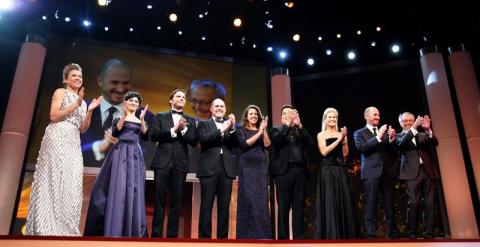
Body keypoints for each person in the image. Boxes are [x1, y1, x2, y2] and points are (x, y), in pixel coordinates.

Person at [26, 63, 102, 236]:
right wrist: (75, 105)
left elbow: (83, 128)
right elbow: (53, 116)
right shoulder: (61, 93)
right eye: (74, 75)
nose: (77, 78)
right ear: (66, 79)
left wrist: (89, 110)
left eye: (80, 76)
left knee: (72, 180)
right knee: (54, 177)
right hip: (58, 134)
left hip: (73, 139)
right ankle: (45, 227)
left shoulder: (83, 102)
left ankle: (65, 229)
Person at [84, 91, 149, 237]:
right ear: (125, 103)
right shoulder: (119, 117)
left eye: (136, 102)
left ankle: (132, 229)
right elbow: (115, 133)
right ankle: (115, 227)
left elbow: (145, 136)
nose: (134, 103)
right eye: (131, 101)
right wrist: (124, 116)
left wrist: (143, 119)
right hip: (120, 153)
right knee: (118, 187)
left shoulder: (141, 120)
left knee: (134, 189)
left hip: (135, 155)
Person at [80, 58, 155, 167]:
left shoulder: (147, 116)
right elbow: (71, 148)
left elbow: (148, 154)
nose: (120, 89)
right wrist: (99, 147)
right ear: (100, 81)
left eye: (125, 83)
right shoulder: (83, 108)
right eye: (114, 82)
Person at [150, 89, 198, 238]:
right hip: (162, 162)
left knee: (176, 202)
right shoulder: (160, 116)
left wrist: (183, 131)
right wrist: (173, 130)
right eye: (178, 96)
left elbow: (194, 141)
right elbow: (153, 136)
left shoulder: (190, 119)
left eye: (184, 97)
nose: (182, 98)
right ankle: (156, 237)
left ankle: (172, 238)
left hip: (180, 164)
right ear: (171, 100)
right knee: (159, 201)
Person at [353, 106, 398, 239]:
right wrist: (378, 137)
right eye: (374, 115)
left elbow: (393, 152)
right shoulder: (359, 133)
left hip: (387, 173)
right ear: (366, 117)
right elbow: (362, 149)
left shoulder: (385, 133)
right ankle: (371, 233)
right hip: (371, 173)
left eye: (378, 115)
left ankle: (393, 231)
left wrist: (391, 140)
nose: (377, 117)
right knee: (370, 204)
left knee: (390, 204)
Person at [196, 98, 239, 239]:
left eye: (222, 106)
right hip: (208, 169)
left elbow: (238, 144)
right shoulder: (203, 124)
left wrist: (232, 129)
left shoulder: (230, 126)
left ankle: (223, 239)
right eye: (217, 106)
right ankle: (204, 239)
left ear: (225, 110)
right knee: (206, 205)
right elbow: (203, 140)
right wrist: (221, 129)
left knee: (224, 207)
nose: (220, 108)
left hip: (226, 169)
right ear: (212, 109)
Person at [269, 105, 313, 240]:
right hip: (283, 172)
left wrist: (300, 126)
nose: (289, 115)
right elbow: (276, 140)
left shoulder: (300, 131)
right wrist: (287, 125)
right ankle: (283, 239)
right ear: (282, 117)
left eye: (291, 113)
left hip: (300, 171)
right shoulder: (276, 129)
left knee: (299, 206)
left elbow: (310, 143)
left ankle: (299, 238)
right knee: (283, 206)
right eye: (285, 113)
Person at [315, 108, 357, 239]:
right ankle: (330, 235)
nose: (332, 119)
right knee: (329, 201)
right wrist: (339, 139)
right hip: (327, 171)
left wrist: (344, 140)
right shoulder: (321, 134)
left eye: (334, 117)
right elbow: (324, 151)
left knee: (342, 201)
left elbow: (345, 154)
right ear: (325, 119)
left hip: (339, 170)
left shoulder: (340, 134)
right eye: (330, 117)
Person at [395, 113, 439, 239]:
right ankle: (412, 233)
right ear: (400, 123)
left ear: (414, 120)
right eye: (405, 121)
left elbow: (434, 143)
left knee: (429, 203)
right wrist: (414, 128)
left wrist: (428, 130)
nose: (408, 122)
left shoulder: (422, 135)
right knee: (413, 203)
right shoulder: (398, 136)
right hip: (411, 173)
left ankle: (429, 233)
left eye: (411, 120)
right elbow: (401, 145)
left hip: (427, 171)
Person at [236, 105, 272, 239]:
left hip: (260, 168)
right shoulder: (241, 130)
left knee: (261, 202)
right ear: (246, 116)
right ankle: (245, 236)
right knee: (248, 199)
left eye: (256, 114)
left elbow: (268, 145)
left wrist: (264, 131)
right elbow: (244, 145)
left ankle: (263, 235)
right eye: (251, 114)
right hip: (246, 168)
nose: (254, 116)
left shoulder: (262, 129)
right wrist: (258, 133)